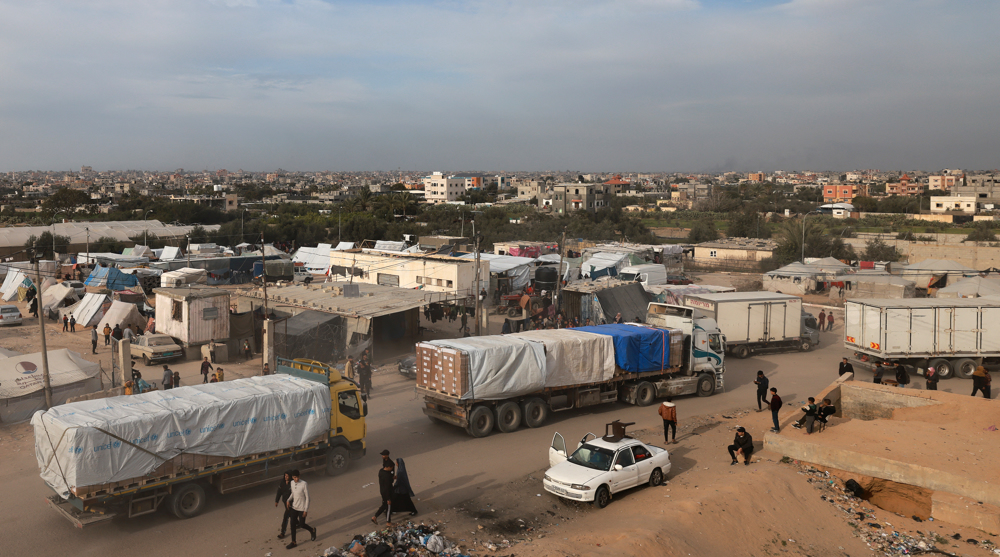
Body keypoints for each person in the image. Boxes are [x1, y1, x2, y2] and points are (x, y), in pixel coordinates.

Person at [285, 469, 316, 549]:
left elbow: (308, 498)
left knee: (302, 524)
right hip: (294, 507)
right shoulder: (292, 483)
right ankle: (293, 542)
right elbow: (293, 493)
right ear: (292, 477)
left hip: (302, 508)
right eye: (295, 477)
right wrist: (288, 500)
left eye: (298, 477)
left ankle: (312, 530)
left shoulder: (304, 484)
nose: (296, 479)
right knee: (292, 525)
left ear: (299, 476)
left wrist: (306, 510)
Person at [372, 459, 396, 525]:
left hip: (382, 491)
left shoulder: (381, 471)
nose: (391, 469)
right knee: (388, 506)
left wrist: (392, 478)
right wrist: (388, 498)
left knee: (384, 505)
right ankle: (388, 522)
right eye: (391, 468)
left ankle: (375, 516)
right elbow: (387, 488)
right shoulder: (387, 476)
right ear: (388, 467)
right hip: (387, 493)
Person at [275, 471, 293, 540]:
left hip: (291, 503)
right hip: (285, 502)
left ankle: (282, 533)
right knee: (291, 515)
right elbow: (279, 492)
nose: (286, 477)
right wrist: (277, 501)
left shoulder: (292, 484)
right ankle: (298, 523)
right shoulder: (282, 483)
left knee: (286, 517)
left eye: (287, 476)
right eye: (285, 476)